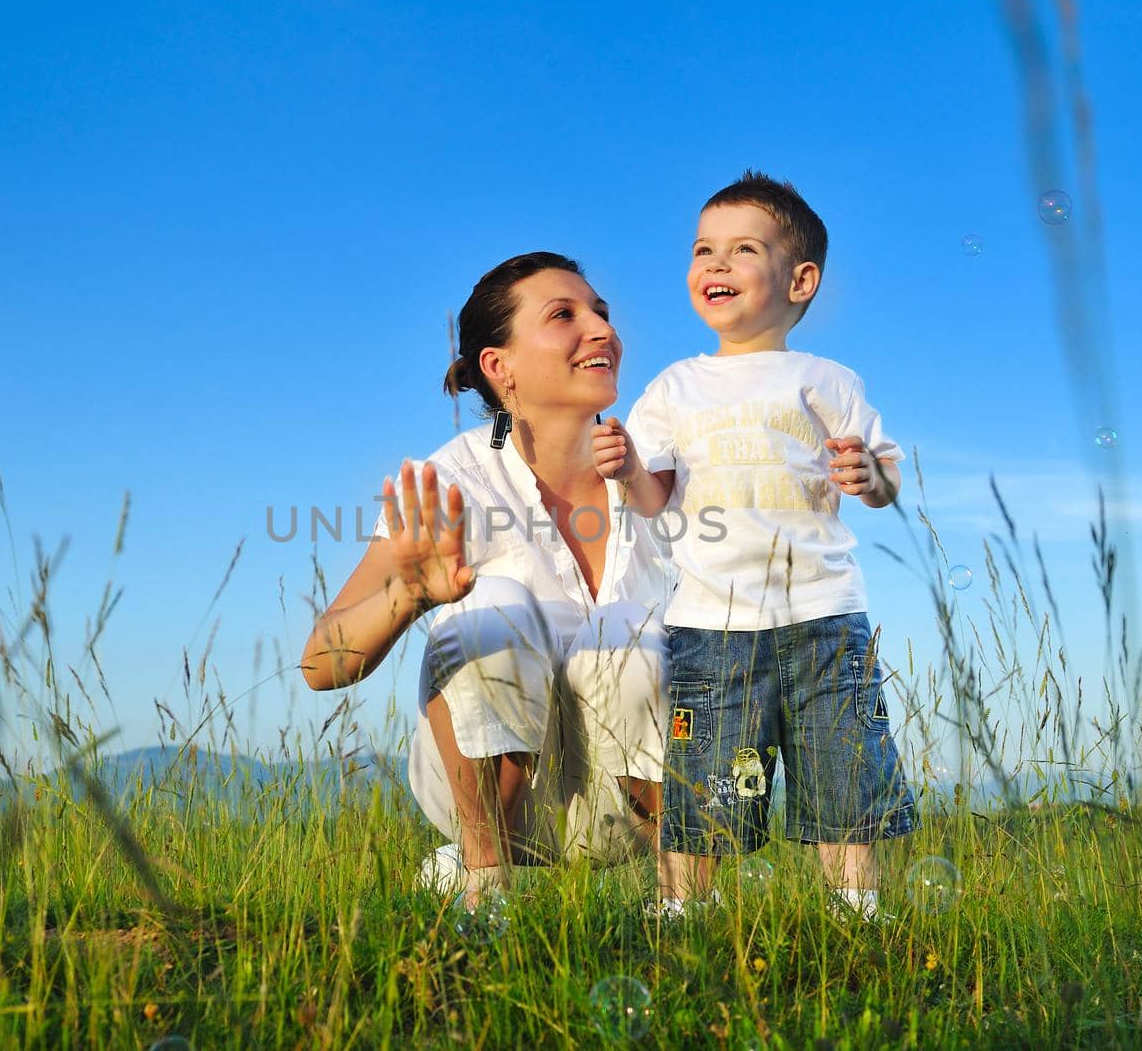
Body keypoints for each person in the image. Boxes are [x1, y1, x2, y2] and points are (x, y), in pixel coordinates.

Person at [302, 252, 674, 906]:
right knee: (493, 603)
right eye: (565, 315)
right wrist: (409, 595)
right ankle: (485, 883)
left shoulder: (655, 473)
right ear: (499, 367)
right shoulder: (455, 480)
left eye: (602, 314)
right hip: (490, 800)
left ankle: (682, 896)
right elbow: (321, 663)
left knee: (633, 627)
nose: (601, 329)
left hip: (624, 816)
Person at [592, 170, 917, 919]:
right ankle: (684, 907)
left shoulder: (826, 379)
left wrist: (868, 472)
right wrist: (630, 467)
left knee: (842, 763)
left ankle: (855, 904)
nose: (715, 265)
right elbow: (652, 498)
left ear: (800, 279)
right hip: (712, 619)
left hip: (825, 614)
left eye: (742, 249)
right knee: (705, 770)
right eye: (704, 249)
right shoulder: (676, 385)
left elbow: (887, 476)